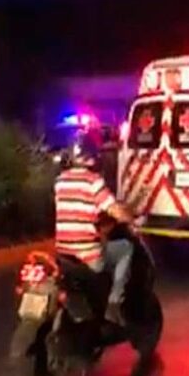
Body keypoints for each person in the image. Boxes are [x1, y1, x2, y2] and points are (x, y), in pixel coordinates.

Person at [54, 133, 135, 325]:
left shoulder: (60, 181)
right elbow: (115, 211)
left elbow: (78, 210)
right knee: (125, 249)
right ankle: (114, 304)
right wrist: (131, 217)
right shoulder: (93, 181)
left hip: (63, 253)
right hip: (87, 256)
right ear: (91, 157)